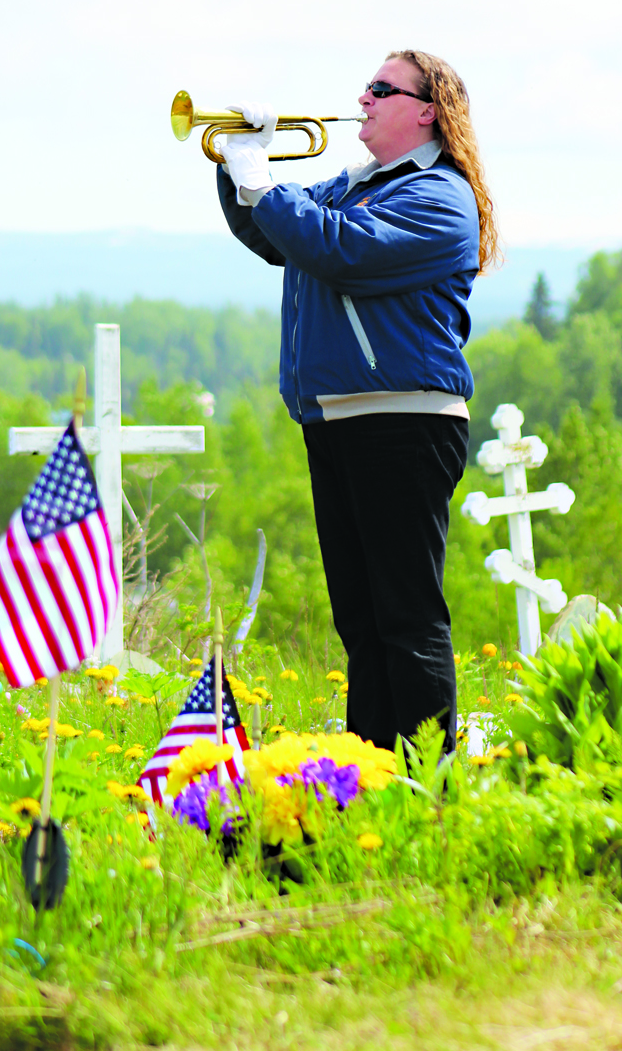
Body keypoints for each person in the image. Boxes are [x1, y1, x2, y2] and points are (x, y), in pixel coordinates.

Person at [216, 51, 500, 754]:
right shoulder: (359, 183)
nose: (363, 98)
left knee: (406, 618)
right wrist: (236, 168)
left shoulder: (439, 195)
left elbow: (338, 249)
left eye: (381, 88)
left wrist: (265, 181)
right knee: (364, 625)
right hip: (341, 419)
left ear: (426, 109)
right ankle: (370, 774)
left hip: (404, 422)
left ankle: (429, 782)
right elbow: (273, 232)